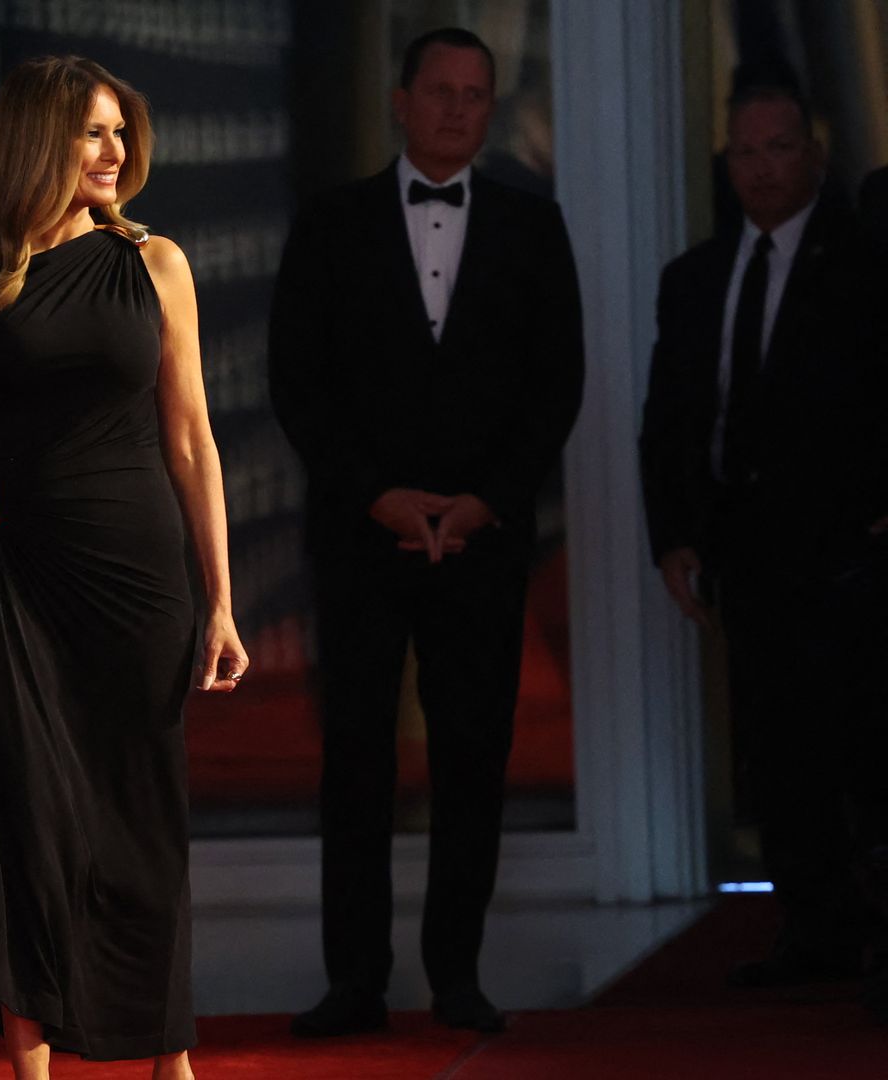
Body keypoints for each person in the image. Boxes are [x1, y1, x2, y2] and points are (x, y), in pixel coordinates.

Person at [0, 55, 245, 1080]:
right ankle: (33, 1062)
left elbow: (192, 439)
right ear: (38, 140)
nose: (114, 152)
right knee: (24, 811)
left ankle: (168, 1056)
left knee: (141, 812)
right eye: (92, 133)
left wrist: (223, 603)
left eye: (121, 132)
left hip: (140, 574)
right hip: (18, 570)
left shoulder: (156, 263)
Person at [267, 27, 584, 1036]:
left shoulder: (535, 226)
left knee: (473, 755)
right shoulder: (331, 223)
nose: (458, 108)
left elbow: (556, 382)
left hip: (485, 539)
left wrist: (488, 496)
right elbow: (297, 381)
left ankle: (459, 974)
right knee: (355, 757)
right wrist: (380, 496)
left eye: (476, 94)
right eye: (440, 91)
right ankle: (353, 982)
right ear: (402, 101)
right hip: (362, 538)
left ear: (492, 108)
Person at [640, 82, 888, 996]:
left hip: (849, 554)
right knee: (774, 751)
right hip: (743, 556)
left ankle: (870, 938)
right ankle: (811, 929)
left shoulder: (865, 263)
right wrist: (673, 535)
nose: (762, 168)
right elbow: (668, 420)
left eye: (780, 148)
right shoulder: (694, 277)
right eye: (745, 153)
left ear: (814, 152)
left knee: (859, 749)